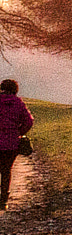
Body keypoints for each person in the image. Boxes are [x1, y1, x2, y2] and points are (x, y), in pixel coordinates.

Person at [0, 77, 32, 210]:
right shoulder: (18, 103)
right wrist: (19, 132)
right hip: (11, 144)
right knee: (6, 170)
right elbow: (29, 121)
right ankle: (3, 201)